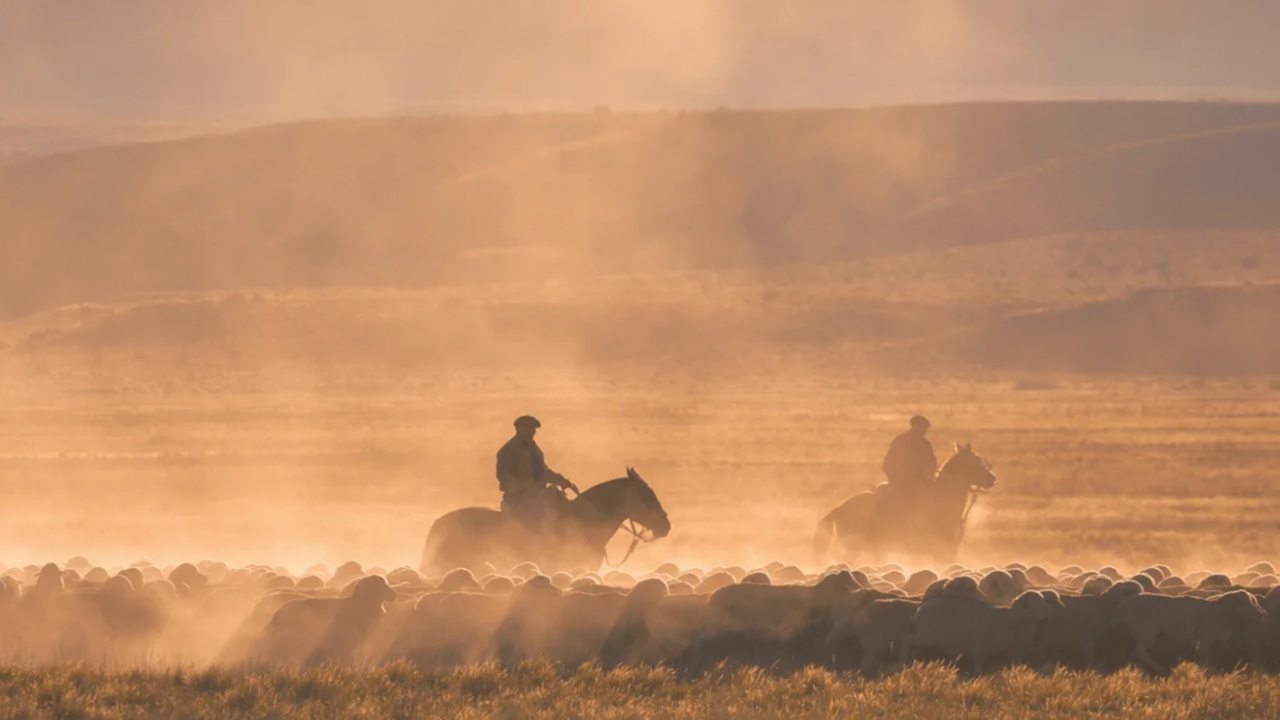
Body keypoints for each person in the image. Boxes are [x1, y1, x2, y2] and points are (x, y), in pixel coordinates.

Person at [496, 415, 577, 530]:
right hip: (518, 500)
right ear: (518, 428)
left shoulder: (534, 449)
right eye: (529, 428)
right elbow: (504, 475)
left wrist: (561, 480)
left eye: (533, 429)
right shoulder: (509, 450)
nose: (532, 431)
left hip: (536, 498)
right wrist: (521, 490)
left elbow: (544, 472)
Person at [881, 415, 938, 513]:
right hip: (901, 480)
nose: (924, 431)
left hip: (920, 480)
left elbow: (931, 462)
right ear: (915, 426)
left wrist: (931, 473)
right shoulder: (901, 441)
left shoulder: (925, 444)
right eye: (923, 427)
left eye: (925, 428)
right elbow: (890, 463)